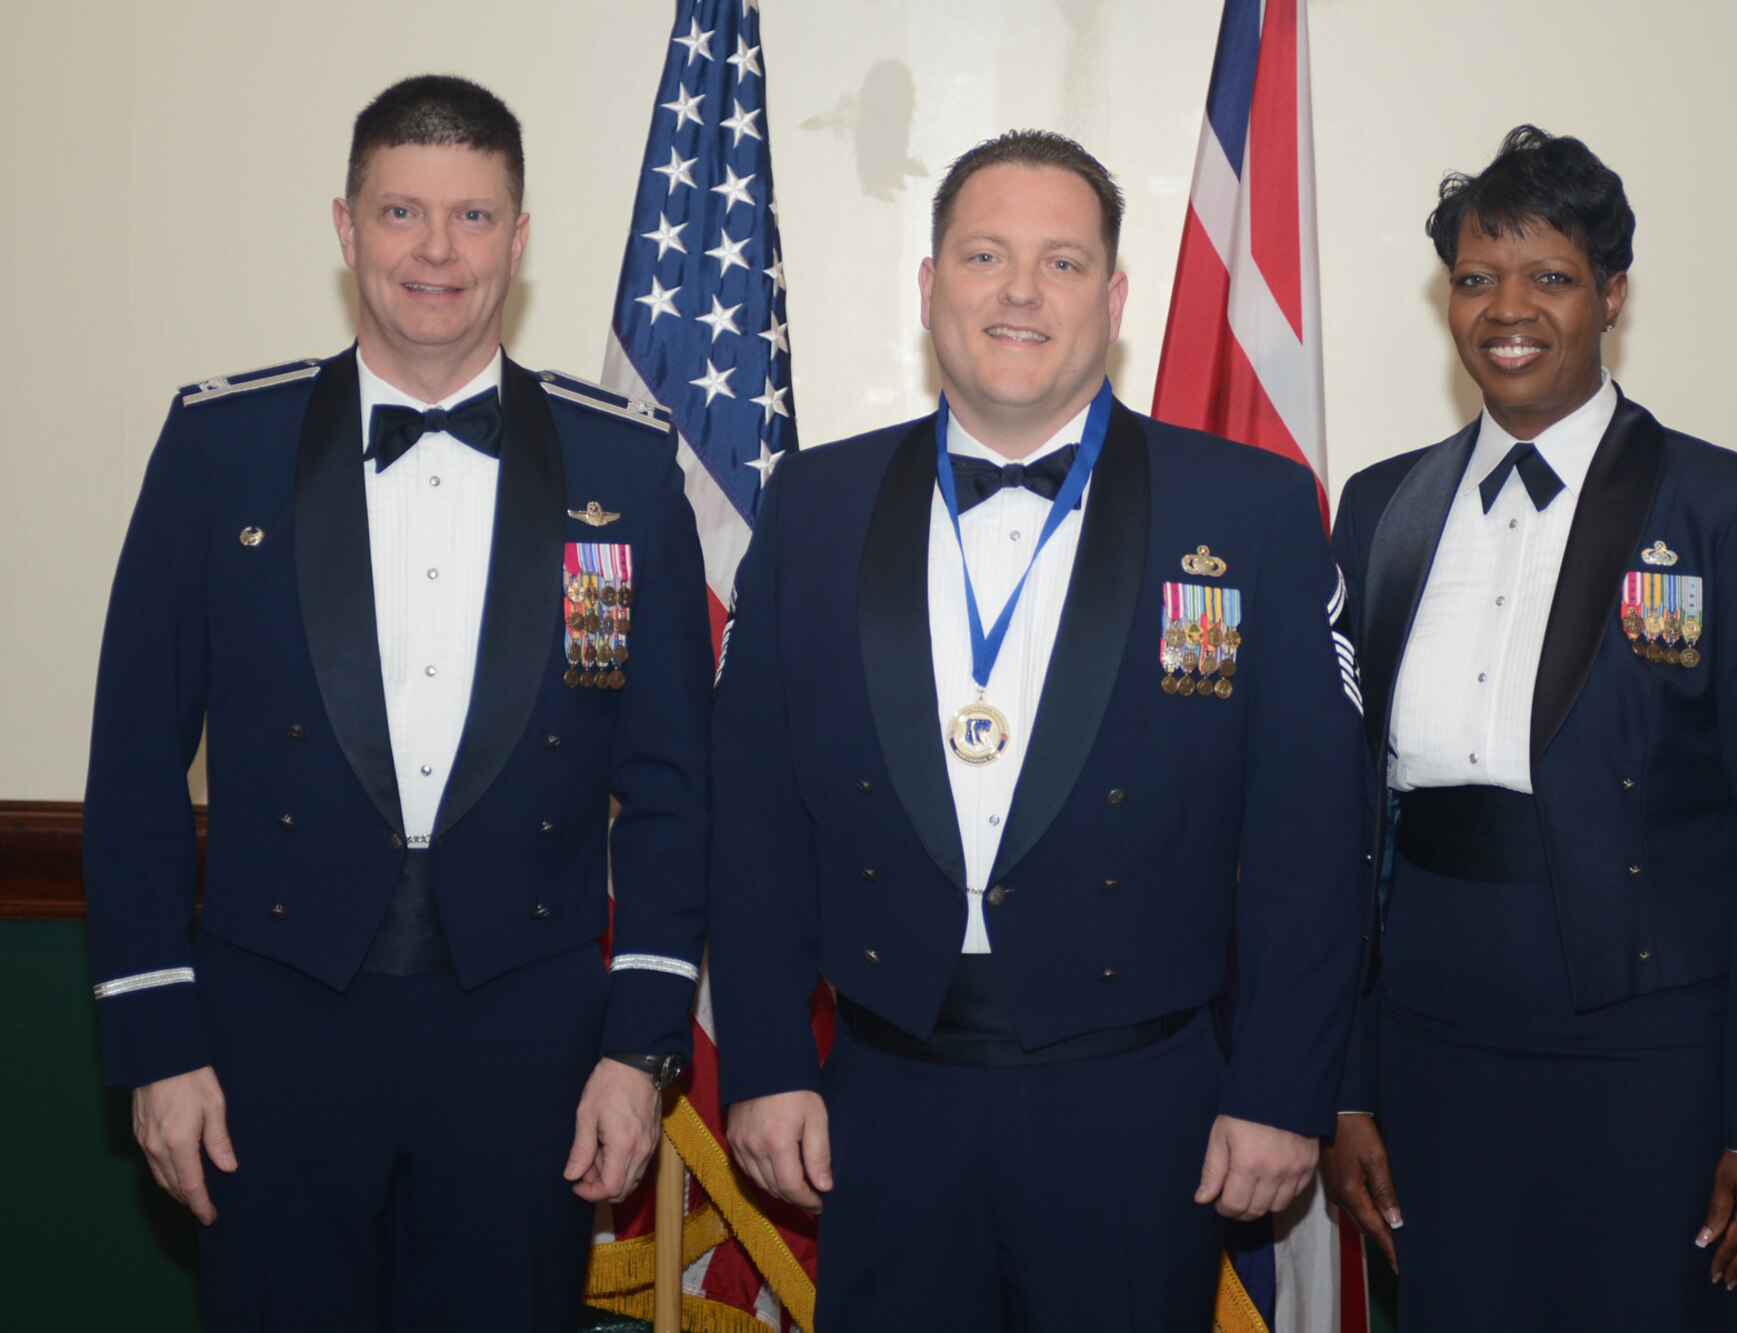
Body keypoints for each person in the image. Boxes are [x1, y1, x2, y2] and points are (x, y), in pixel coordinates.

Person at [706, 130, 1368, 1330]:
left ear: (1113, 300)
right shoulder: (814, 504)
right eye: (984, 254)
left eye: (1061, 262)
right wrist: (760, 1062)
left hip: (1139, 1102)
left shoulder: (1252, 510)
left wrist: (1280, 1090)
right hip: (881, 1094)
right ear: (928, 286)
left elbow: (1310, 840)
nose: (1020, 291)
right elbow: (751, 815)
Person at [83, 75, 713, 1331]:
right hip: (272, 1033)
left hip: (526, 1041)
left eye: (474, 217)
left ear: (520, 239)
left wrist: (639, 1045)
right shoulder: (222, 448)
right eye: (402, 213)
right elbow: (137, 767)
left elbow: (670, 790)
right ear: (345, 224)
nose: (437, 252)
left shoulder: (625, 467)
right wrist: (156, 1042)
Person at [1322, 125, 1737, 1331]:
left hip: (1651, 1051)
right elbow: (1335, 825)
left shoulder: (1728, 510)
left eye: (1547, 277)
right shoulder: (1378, 509)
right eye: (1473, 278)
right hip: (1431, 1046)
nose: (1507, 309)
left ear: (1609, 294)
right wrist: (1343, 1084)